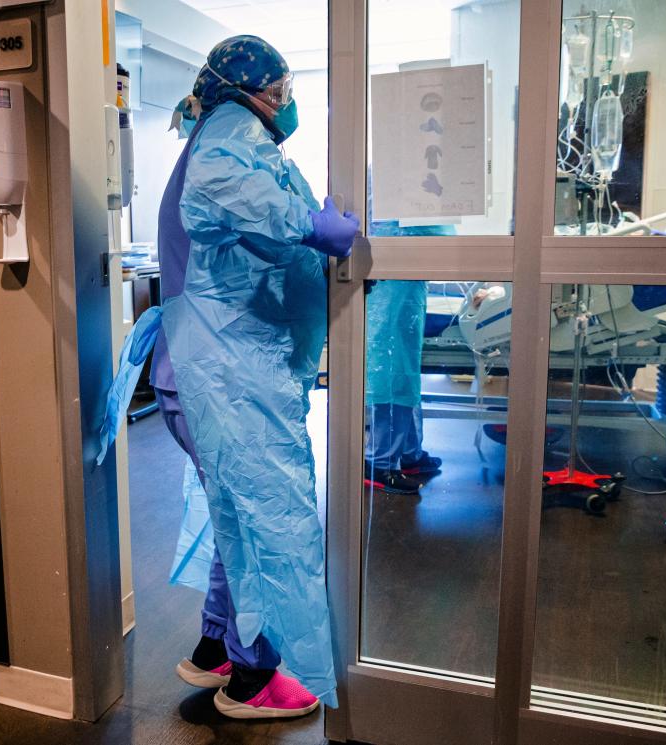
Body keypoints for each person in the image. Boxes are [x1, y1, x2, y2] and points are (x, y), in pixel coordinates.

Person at [149, 36, 358, 719]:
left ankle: (217, 647)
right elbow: (233, 189)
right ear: (252, 91)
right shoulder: (230, 135)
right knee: (264, 519)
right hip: (217, 370)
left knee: (236, 511)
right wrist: (313, 225)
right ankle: (252, 677)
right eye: (284, 89)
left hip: (198, 370)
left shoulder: (217, 133)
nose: (289, 101)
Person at [363, 222, 449, 495]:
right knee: (392, 374)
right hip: (391, 287)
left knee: (406, 374)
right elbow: (437, 232)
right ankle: (378, 463)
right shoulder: (395, 194)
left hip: (404, 286)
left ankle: (410, 453)